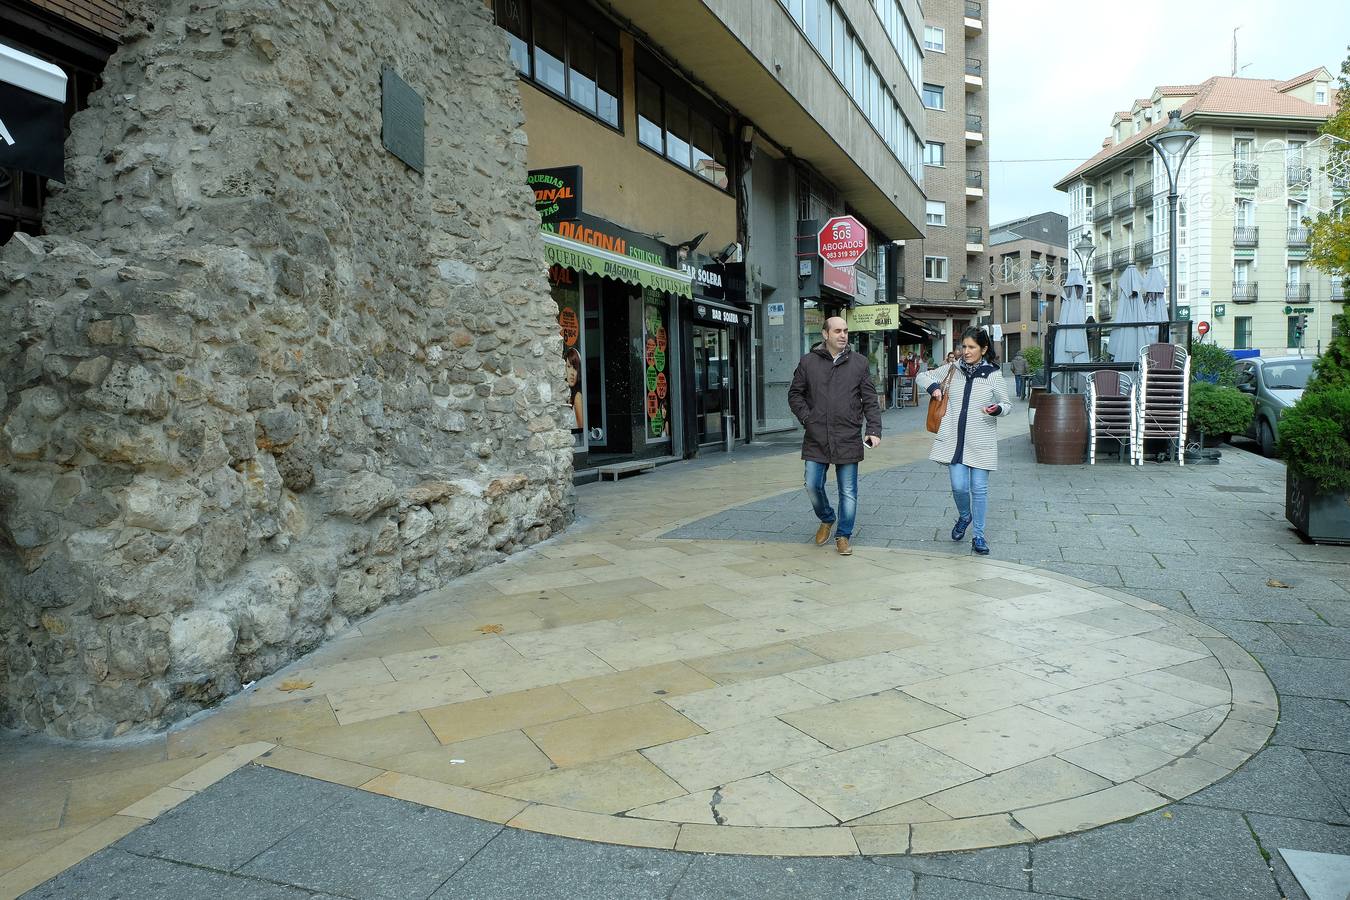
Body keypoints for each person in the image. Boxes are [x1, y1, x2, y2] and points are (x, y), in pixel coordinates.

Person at [788, 316, 882, 556]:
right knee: (812, 484)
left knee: (848, 491)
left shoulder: (859, 363)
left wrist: (873, 430)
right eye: (838, 331)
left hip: (847, 435)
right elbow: (795, 395)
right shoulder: (808, 362)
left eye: (846, 331)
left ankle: (843, 535)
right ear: (825, 334)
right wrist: (808, 419)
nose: (843, 335)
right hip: (816, 435)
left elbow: (870, 399)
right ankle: (827, 517)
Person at [917, 327, 1012, 555]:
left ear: (983, 349)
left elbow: (1007, 404)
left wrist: (997, 408)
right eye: (964, 347)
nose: (966, 352)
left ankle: (978, 536)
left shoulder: (993, 374)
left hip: (981, 441)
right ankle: (964, 516)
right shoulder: (953, 368)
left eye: (972, 347)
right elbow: (922, 376)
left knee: (979, 489)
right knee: (959, 486)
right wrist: (934, 388)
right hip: (954, 442)